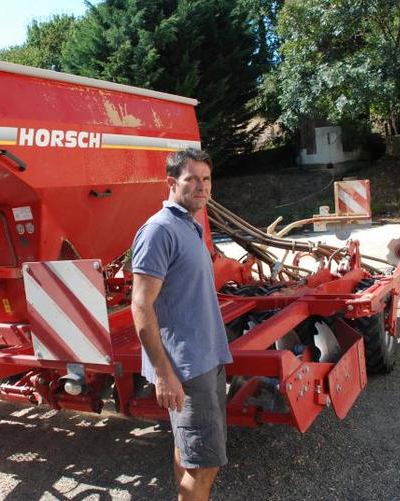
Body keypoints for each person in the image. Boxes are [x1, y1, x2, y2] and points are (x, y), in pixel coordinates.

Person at [130, 148, 232, 501]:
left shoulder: (190, 224)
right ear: (172, 182)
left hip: (207, 358)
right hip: (186, 369)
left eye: (206, 179)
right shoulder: (159, 230)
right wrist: (163, 373)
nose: (201, 187)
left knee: (189, 453)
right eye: (192, 179)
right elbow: (141, 306)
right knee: (204, 465)